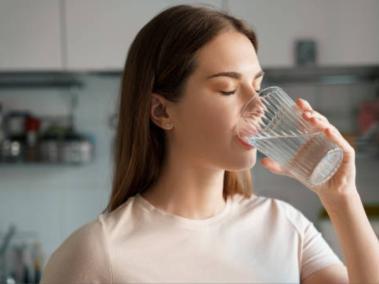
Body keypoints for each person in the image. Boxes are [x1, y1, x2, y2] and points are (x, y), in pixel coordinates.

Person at [40, 4, 379, 284]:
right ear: (161, 110)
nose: (257, 105)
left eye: (257, 84)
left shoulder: (285, 227)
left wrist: (341, 196)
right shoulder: (97, 253)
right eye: (227, 89)